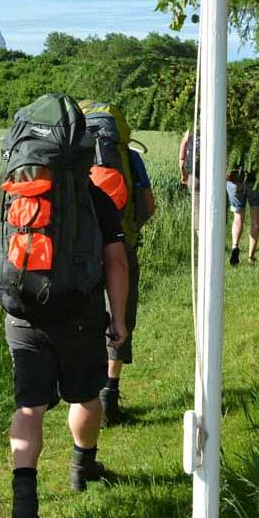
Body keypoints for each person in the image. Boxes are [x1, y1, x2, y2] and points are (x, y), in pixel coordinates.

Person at [5, 165, 129, 518]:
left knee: (29, 406)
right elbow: (116, 262)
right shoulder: (94, 198)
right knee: (86, 395)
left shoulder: (14, 193)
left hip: (24, 315)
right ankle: (82, 466)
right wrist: (118, 318)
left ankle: (23, 510)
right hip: (79, 313)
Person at [99, 148, 154, 426]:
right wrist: (129, 230)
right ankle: (109, 394)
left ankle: (84, 395)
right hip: (121, 245)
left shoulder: (66, 155)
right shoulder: (128, 156)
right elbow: (148, 204)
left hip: (75, 256)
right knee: (119, 316)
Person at [227, 140, 259, 266]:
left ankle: (235, 246)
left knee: (238, 216)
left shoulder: (231, 134)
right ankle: (251, 257)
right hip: (254, 180)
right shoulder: (257, 134)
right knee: (255, 218)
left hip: (234, 181)